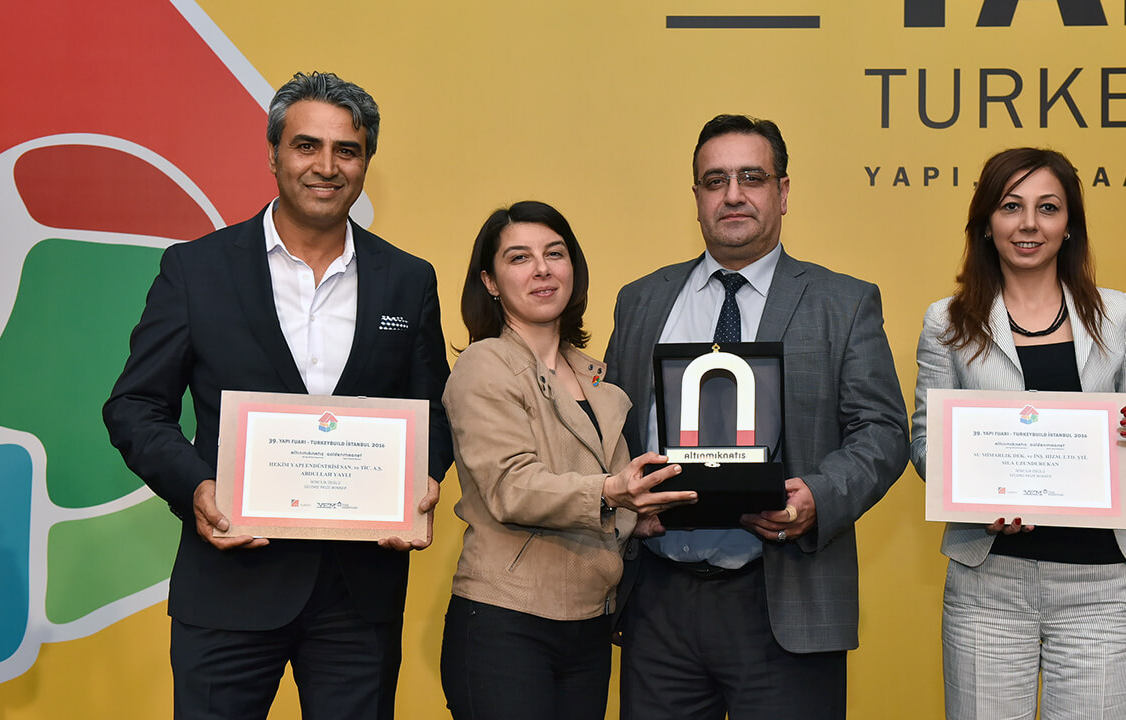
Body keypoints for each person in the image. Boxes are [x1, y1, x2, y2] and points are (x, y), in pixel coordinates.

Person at [103, 71, 453, 719]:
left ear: (366, 162)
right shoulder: (196, 269)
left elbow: (435, 410)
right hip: (228, 584)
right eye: (306, 146)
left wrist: (422, 478)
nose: (326, 166)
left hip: (359, 596)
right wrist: (196, 487)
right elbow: (135, 407)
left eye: (347, 150)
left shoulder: (408, 280)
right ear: (273, 155)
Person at [604, 114, 909, 719]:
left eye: (752, 177)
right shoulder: (641, 300)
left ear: (783, 191)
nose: (733, 194)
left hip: (784, 596)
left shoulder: (844, 302)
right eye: (715, 180)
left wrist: (820, 496)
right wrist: (620, 505)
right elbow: (610, 428)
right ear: (696, 197)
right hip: (658, 603)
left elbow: (882, 430)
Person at [910, 147, 1126, 719]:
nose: (1029, 224)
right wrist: (978, 499)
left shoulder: (1117, 316)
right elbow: (925, 448)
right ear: (986, 222)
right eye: (1011, 206)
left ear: (1069, 224)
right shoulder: (946, 322)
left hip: (1100, 588)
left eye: (1047, 208)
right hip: (987, 586)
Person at [439, 201, 695, 720]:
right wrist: (611, 494)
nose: (542, 269)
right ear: (490, 282)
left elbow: (608, 493)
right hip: (505, 620)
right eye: (519, 258)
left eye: (555, 254)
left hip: (590, 623)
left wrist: (637, 517)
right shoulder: (484, 366)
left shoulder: (600, 379)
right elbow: (512, 487)